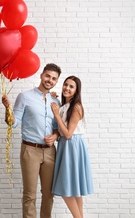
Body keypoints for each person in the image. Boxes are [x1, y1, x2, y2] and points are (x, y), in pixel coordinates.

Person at [2, 63, 62, 218]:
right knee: (30, 195)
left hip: (50, 152)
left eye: (54, 78)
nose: (50, 80)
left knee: (49, 194)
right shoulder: (25, 96)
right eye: (48, 76)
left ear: (56, 81)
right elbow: (13, 123)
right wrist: (7, 108)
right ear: (42, 75)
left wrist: (55, 136)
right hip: (30, 151)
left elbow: (58, 127)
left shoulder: (56, 101)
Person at [51, 76, 93, 218]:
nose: (67, 88)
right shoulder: (67, 106)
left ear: (76, 91)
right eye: (65, 85)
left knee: (66, 188)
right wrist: (55, 97)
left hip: (72, 146)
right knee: (75, 190)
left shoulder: (76, 107)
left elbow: (68, 134)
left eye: (71, 87)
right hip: (67, 146)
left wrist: (56, 115)